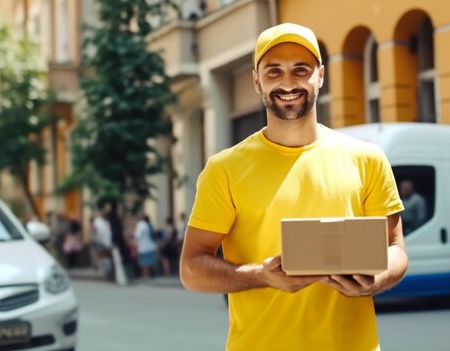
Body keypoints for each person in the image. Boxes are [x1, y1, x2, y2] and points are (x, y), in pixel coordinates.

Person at [180, 23, 408, 351]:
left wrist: (376, 279)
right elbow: (191, 268)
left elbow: (396, 251)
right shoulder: (224, 169)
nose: (288, 82)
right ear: (257, 81)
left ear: (320, 76)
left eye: (301, 69)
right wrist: (261, 274)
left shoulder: (367, 159)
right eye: (274, 71)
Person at [133, 214, 158, 280]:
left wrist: (135, 242)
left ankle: (146, 275)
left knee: (144, 263)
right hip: (151, 245)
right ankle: (149, 275)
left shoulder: (141, 225)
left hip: (143, 246)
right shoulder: (149, 225)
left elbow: (138, 235)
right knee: (149, 262)